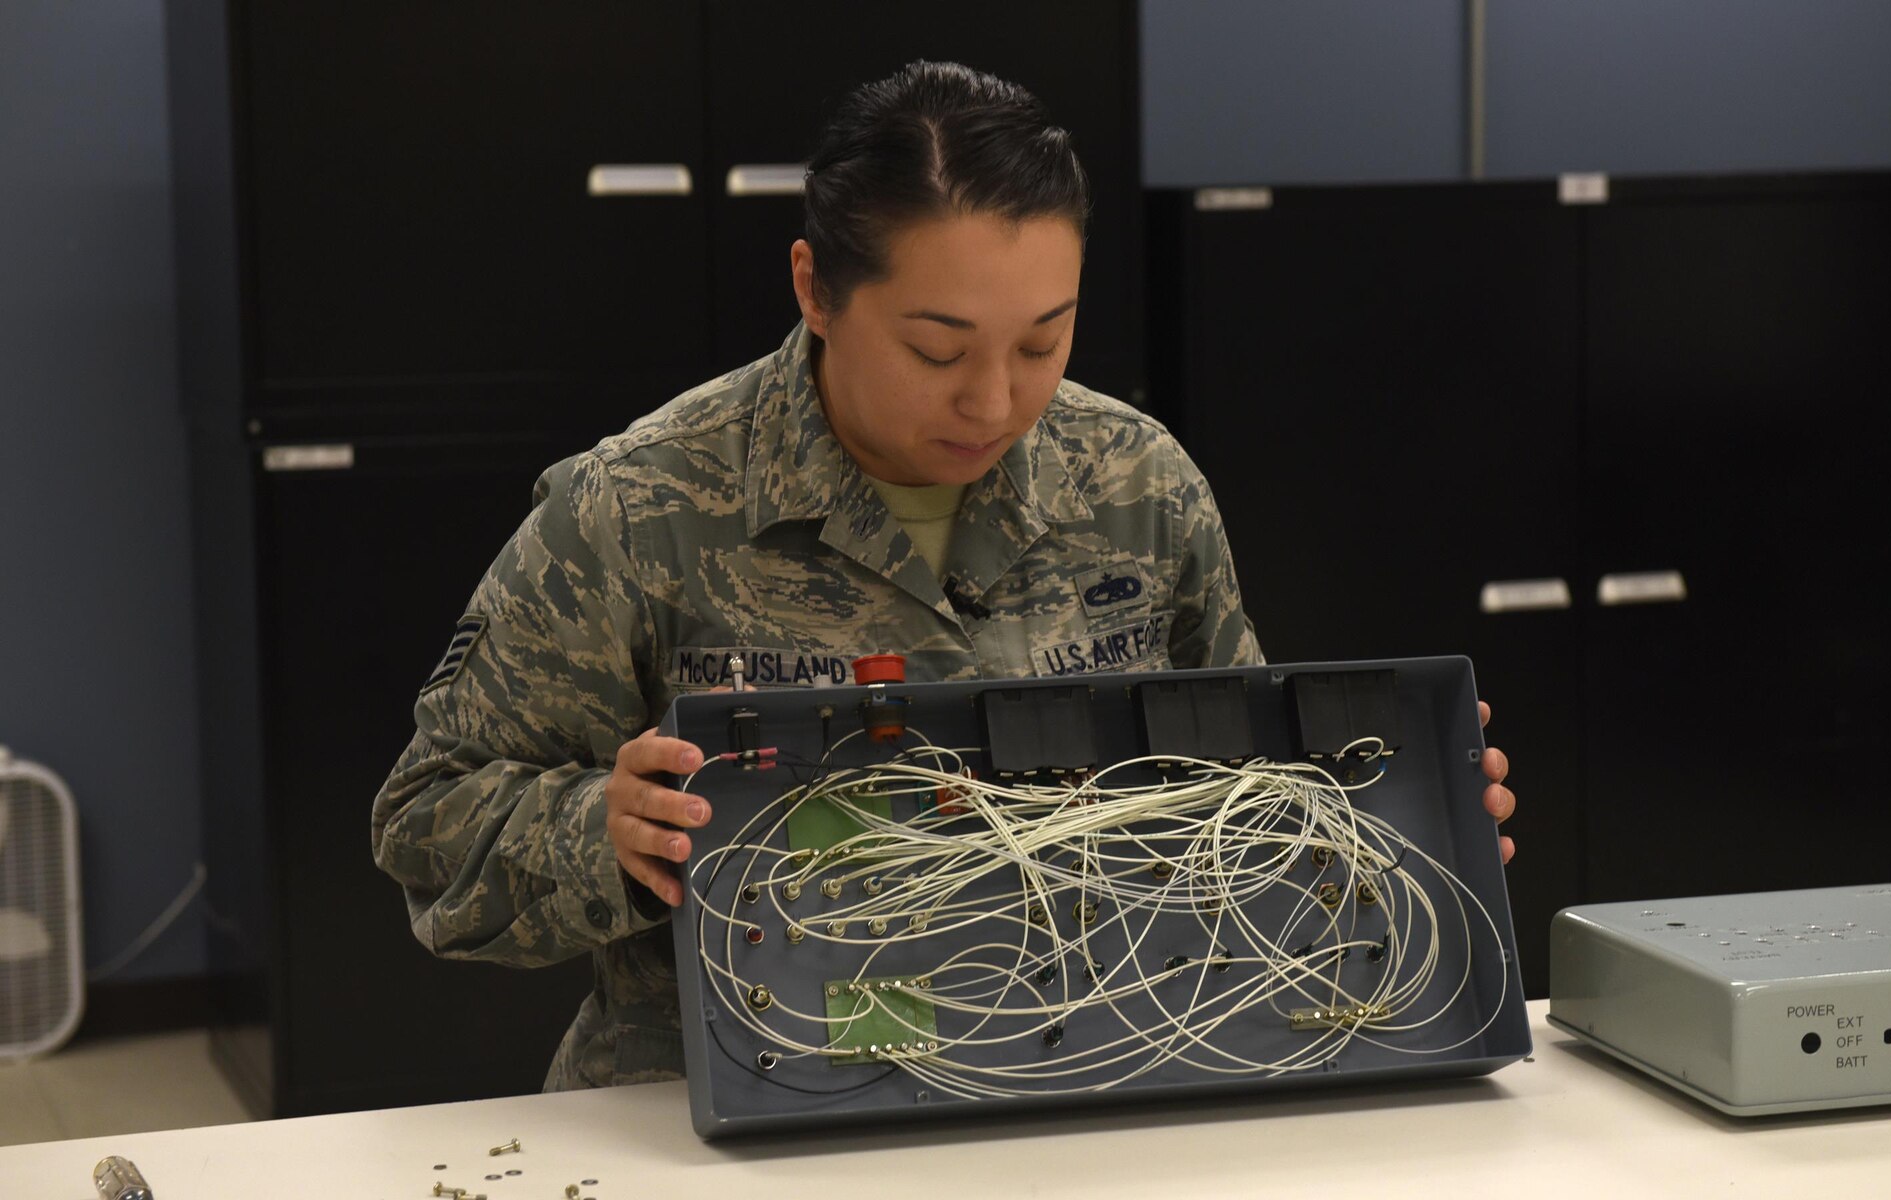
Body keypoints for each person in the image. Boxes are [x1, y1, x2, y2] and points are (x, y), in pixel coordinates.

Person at [370, 61, 1517, 1091]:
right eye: (935, 348)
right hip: (723, 1097)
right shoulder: (635, 508)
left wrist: (1396, 822)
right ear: (815, 290)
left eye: (1041, 342)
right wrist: (603, 831)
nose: (991, 402)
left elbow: (1249, 793)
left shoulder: (1136, 482)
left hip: (1103, 1065)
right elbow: (427, 817)